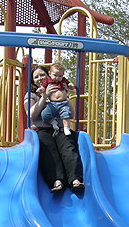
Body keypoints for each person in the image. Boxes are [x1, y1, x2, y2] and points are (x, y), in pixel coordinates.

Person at [24, 65, 84, 193]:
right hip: (42, 129)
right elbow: (31, 114)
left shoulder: (59, 90)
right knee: (48, 147)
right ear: (33, 81)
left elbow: (72, 114)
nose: (40, 78)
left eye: (42, 75)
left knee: (68, 146)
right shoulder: (31, 95)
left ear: (49, 75)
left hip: (60, 128)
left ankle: (75, 179)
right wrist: (44, 96)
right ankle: (57, 180)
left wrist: (65, 97)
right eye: (36, 77)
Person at [37, 62, 76, 136]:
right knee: (44, 114)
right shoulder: (48, 81)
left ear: (63, 75)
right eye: (55, 75)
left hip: (63, 103)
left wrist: (70, 85)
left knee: (66, 115)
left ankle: (66, 128)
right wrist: (41, 89)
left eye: (60, 76)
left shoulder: (63, 81)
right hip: (52, 104)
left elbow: (69, 85)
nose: (57, 78)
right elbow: (43, 87)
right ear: (50, 73)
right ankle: (53, 122)